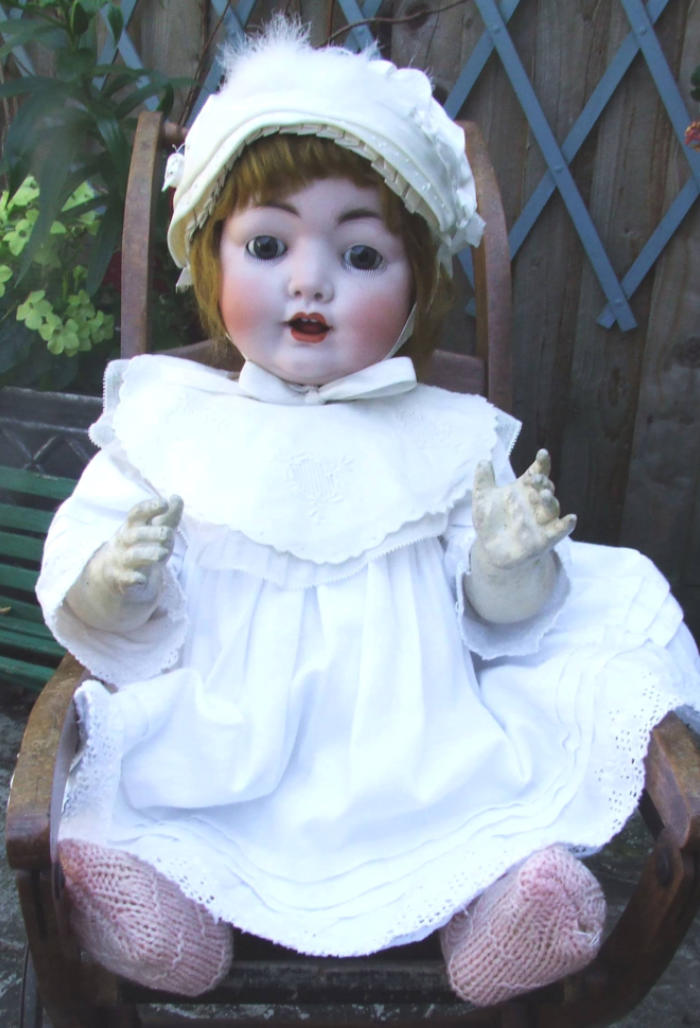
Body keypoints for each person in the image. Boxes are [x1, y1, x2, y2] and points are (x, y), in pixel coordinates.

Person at [37, 18, 700, 1007]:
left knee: (478, 820)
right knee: (152, 811)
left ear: (417, 287)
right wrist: (115, 581)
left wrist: (508, 564)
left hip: (413, 747)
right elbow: (92, 572)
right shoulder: (173, 425)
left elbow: (496, 618)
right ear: (211, 262)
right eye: (268, 244)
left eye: (360, 255)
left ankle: (494, 911)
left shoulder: (445, 435)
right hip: (223, 744)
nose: (310, 279)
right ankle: (177, 917)